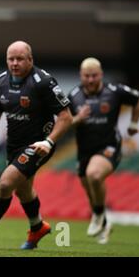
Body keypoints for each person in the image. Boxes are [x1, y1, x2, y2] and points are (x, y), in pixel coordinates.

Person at [0, 40, 73, 250]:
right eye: (11, 59)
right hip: (14, 145)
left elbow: (65, 117)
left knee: (5, 184)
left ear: (30, 60)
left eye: (20, 59)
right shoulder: (0, 81)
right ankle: (37, 227)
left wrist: (49, 141)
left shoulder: (43, 82)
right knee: (23, 191)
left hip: (38, 145)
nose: (15, 63)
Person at [68, 57, 139, 244]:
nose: (90, 80)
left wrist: (133, 123)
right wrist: (78, 118)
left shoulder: (114, 91)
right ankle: (104, 222)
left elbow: (136, 99)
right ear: (80, 76)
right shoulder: (73, 95)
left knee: (94, 175)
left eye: (94, 75)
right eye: (86, 76)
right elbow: (64, 121)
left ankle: (98, 215)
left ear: (101, 74)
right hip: (84, 150)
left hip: (109, 146)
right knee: (90, 189)